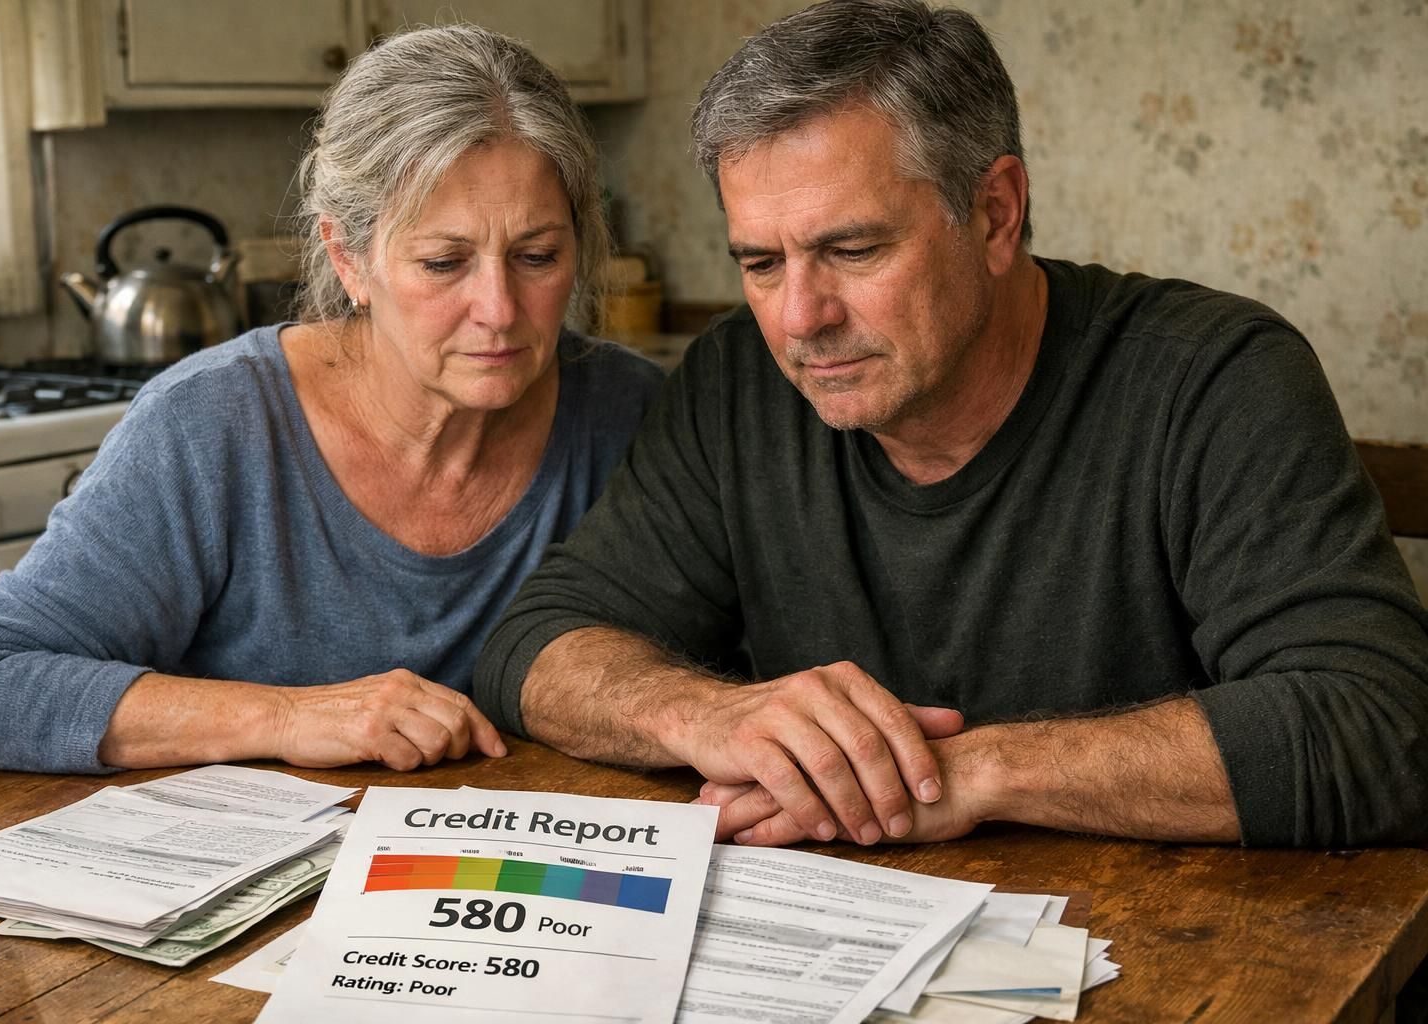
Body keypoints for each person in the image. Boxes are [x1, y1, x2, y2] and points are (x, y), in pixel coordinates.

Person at [474, 0, 1428, 849]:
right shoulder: (736, 380)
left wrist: (965, 773)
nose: (801, 318)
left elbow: (1381, 721)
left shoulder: (1215, 378)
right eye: (761, 264)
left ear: (996, 214)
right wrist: (708, 716)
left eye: (851, 249)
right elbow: (538, 643)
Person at [0, 24, 663, 775]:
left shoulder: (628, 410)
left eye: (537, 256)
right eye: (442, 262)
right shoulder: (212, 426)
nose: (498, 308)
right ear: (348, 259)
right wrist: (288, 715)